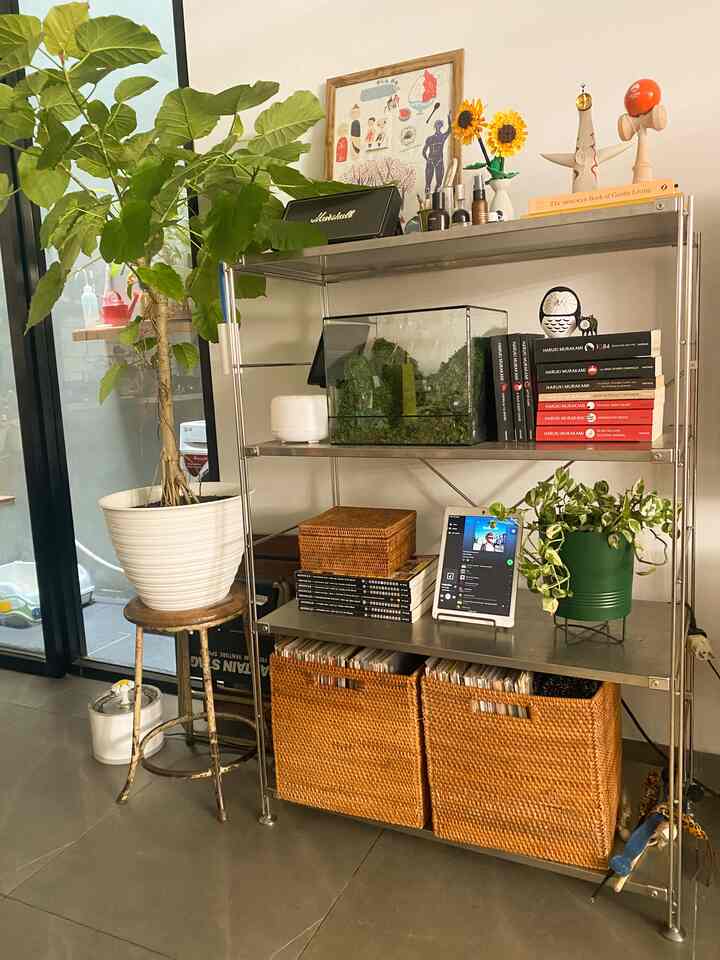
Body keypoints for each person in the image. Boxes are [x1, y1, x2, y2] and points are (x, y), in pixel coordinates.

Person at [422, 112, 452, 193]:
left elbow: (450, 129)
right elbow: (424, 151)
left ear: (441, 126)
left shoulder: (442, 137)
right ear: (435, 126)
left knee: (439, 183)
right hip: (431, 160)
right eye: (437, 125)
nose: (438, 126)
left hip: (439, 161)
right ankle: (427, 197)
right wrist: (427, 159)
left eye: (440, 125)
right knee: (428, 184)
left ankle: (436, 195)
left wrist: (449, 118)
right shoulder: (430, 138)